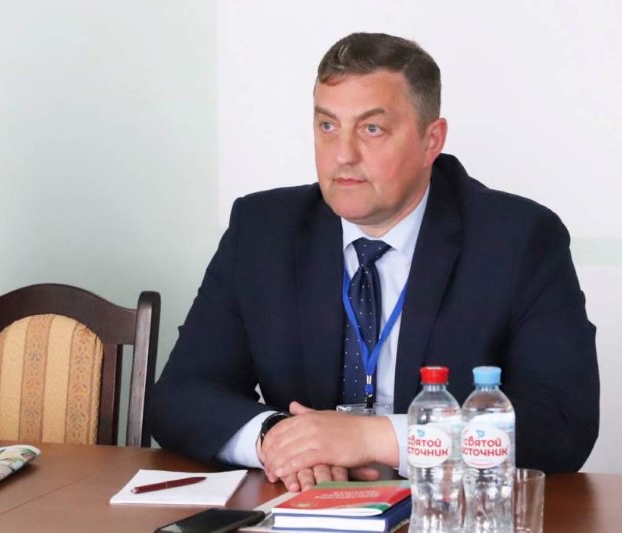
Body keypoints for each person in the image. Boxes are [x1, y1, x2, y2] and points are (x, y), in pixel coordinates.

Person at [149, 32, 599, 492]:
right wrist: (279, 438)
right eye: (328, 126)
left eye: (371, 129)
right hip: (303, 504)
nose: (343, 155)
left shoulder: (518, 239)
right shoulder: (263, 230)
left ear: (431, 141)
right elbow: (181, 395)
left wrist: (374, 438)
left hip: (448, 510)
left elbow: (562, 422)